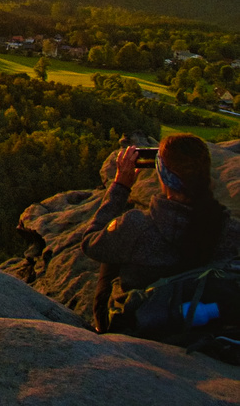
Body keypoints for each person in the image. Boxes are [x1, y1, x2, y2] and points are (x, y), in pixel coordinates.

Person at [82, 133, 240, 331]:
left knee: (112, 249)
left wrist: (120, 187)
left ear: (163, 175)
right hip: (194, 321)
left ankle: (101, 329)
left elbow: (90, 243)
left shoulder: (136, 225)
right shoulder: (231, 230)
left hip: (138, 323)